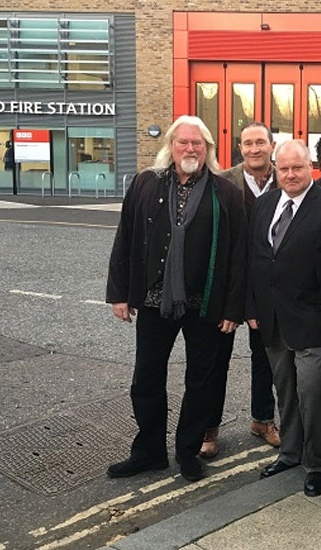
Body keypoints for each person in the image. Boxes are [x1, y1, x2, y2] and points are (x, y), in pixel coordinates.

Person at [105, 115, 247, 482]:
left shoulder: (225, 193)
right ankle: (149, 451)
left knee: (201, 382)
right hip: (154, 301)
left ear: (208, 150)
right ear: (171, 146)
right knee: (146, 380)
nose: (190, 149)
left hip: (205, 306)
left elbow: (238, 256)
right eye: (183, 142)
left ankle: (187, 451)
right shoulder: (144, 184)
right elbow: (126, 238)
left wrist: (233, 307)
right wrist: (119, 293)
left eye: (197, 144)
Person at [247, 139, 321, 497]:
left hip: (314, 323)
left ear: (311, 167)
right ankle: (290, 453)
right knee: (285, 393)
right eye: (283, 168)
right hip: (272, 321)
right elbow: (255, 259)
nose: (290, 174)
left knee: (313, 395)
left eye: (297, 167)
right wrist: (252, 309)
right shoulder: (264, 203)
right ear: (276, 168)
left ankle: (317, 464)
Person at [213, 122, 281, 457]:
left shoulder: (287, 179)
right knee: (214, 358)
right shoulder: (223, 181)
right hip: (227, 285)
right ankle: (209, 427)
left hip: (266, 288)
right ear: (240, 148)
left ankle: (262, 419)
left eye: (260, 142)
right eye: (248, 143)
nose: (254, 149)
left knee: (264, 357)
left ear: (272, 145)